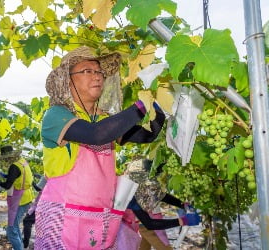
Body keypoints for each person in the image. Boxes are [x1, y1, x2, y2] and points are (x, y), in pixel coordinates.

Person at [35, 46, 166, 249]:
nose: (97, 77)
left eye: (99, 72)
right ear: (67, 80)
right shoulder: (56, 115)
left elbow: (147, 135)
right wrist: (142, 105)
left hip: (100, 217)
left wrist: (160, 110)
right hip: (62, 217)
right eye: (87, 71)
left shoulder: (104, 120)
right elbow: (95, 135)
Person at [126, 159, 201, 250]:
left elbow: (161, 195)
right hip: (144, 225)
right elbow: (149, 224)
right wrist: (182, 221)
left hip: (141, 225)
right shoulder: (130, 196)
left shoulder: (140, 184)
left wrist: (182, 204)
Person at [0, 145, 35, 250]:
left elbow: (7, 185)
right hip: (27, 196)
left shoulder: (14, 167)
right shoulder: (22, 161)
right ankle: (20, 247)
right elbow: (20, 176)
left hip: (19, 200)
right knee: (15, 226)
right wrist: (7, 176)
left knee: (10, 230)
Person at [22, 175, 47, 249]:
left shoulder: (47, 174)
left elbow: (39, 189)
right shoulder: (59, 173)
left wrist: (31, 182)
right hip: (52, 205)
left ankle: (25, 244)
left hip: (42, 203)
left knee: (27, 220)